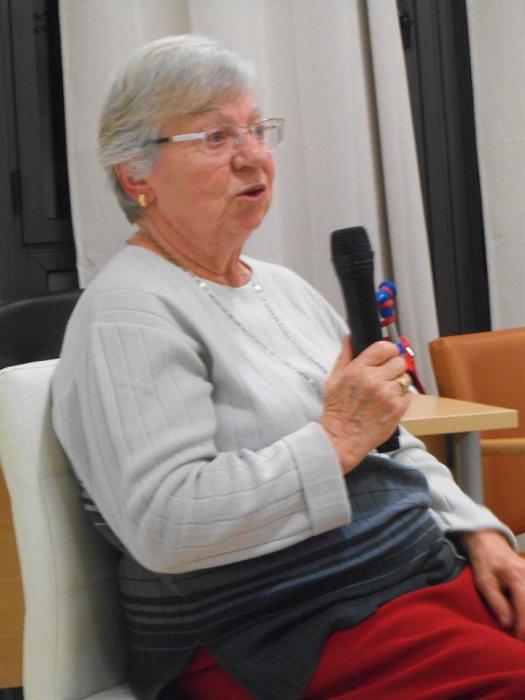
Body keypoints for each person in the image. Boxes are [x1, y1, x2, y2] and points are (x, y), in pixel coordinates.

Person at [51, 34, 525, 700]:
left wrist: (478, 531)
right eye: (215, 138)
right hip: (279, 626)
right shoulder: (128, 313)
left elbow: (389, 439)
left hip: (400, 576)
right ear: (137, 178)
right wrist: (335, 438)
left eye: (256, 129)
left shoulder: (283, 287)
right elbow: (165, 523)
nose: (252, 156)